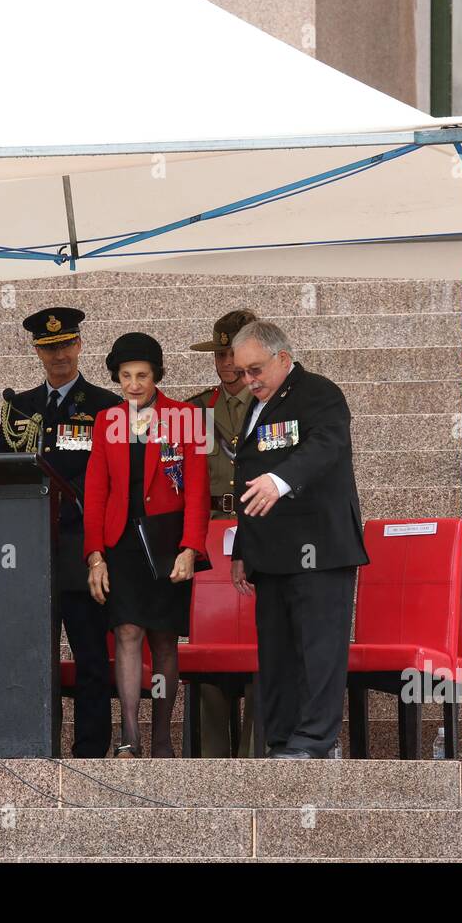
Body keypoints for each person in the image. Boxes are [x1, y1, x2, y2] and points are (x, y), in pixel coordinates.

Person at [229, 319, 368, 759]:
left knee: (318, 650)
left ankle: (315, 740)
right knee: (277, 654)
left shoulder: (319, 393)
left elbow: (326, 446)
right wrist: (242, 550)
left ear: (282, 358)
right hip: (271, 553)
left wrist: (280, 478)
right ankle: (283, 739)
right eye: (242, 372)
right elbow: (247, 480)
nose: (248, 381)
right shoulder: (255, 406)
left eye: (255, 371)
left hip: (319, 547)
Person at [0, 306, 119, 757]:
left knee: (88, 654)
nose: (59, 355)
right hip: (30, 549)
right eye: (49, 347)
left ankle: (90, 750)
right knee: (30, 657)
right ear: (37, 351)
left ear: (80, 345)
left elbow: (113, 476)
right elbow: (1, 472)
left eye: (65, 344)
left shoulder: (106, 406)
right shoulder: (20, 407)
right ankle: (33, 744)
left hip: (82, 545)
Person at [83, 332, 210, 758]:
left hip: (167, 541)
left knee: (164, 639)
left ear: (157, 376)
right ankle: (128, 736)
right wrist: (95, 554)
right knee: (126, 632)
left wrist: (191, 547)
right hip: (121, 543)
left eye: (142, 375)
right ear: (116, 378)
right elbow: (96, 490)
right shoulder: (106, 420)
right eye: (125, 376)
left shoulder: (186, 416)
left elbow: (197, 487)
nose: (134, 384)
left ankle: (161, 739)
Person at [187, 309, 259, 757]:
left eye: (232, 353)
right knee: (208, 642)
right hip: (211, 528)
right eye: (219, 354)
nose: (225, 363)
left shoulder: (272, 404)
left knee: (258, 645)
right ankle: (211, 758)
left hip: (258, 523)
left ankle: (257, 753)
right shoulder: (195, 410)